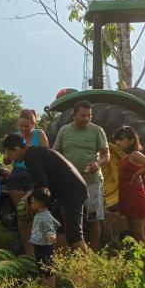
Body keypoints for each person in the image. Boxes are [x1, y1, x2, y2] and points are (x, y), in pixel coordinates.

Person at [2, 134, 88, 252]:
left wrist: (29, 199)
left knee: (74, 236)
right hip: (66, 191)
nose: (11, 158)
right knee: (59, 229)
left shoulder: (30, 157)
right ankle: (61, 264)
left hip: (72, 192)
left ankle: (90, 267)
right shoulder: (36, 152)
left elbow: (42, 184)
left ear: (17, 149)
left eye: (10, 154)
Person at [52, 100, 109, 251]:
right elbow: (56, 152)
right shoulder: (64, 130)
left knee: (94, 217)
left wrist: (97, 164)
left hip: (92, 181)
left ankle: (95, 250)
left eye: (89, 115)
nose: (86, 119)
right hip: (70, 183)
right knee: (71, 216)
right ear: (74, 115)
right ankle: (74, 248)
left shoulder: (97, 131)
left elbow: (106, 154)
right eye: (83, 115)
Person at [4, 109, 49, 255]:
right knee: (22, 212)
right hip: (18, 174)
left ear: (33, 123)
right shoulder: (15, 137)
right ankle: (26, 248)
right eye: (21, 126)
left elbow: (45, 155)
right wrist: (8, 158)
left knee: (35, 210)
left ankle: (38, 246)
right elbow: (7, 159)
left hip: (34, 174)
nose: (23, 129)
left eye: (26, 126)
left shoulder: (39, 134)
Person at [113, 126, 145, 243]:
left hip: (134, 196)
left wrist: (138, 173)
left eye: (121, 139)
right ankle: (143, 257)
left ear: (132, 141)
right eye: (116, 139)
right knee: (134, 232)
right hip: (127, 196)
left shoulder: (135, 154)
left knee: (139, 235)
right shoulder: (126, 156)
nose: (117, 142)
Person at [29, 188, 61, 288]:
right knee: (42, 269)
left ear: (39, 203)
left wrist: (50, 235)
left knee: (49, 270)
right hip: (39, 246)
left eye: (32, 202)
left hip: (45, 248)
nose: (31, 204)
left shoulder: (46, 217)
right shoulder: (39, 215)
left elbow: (49, 228)